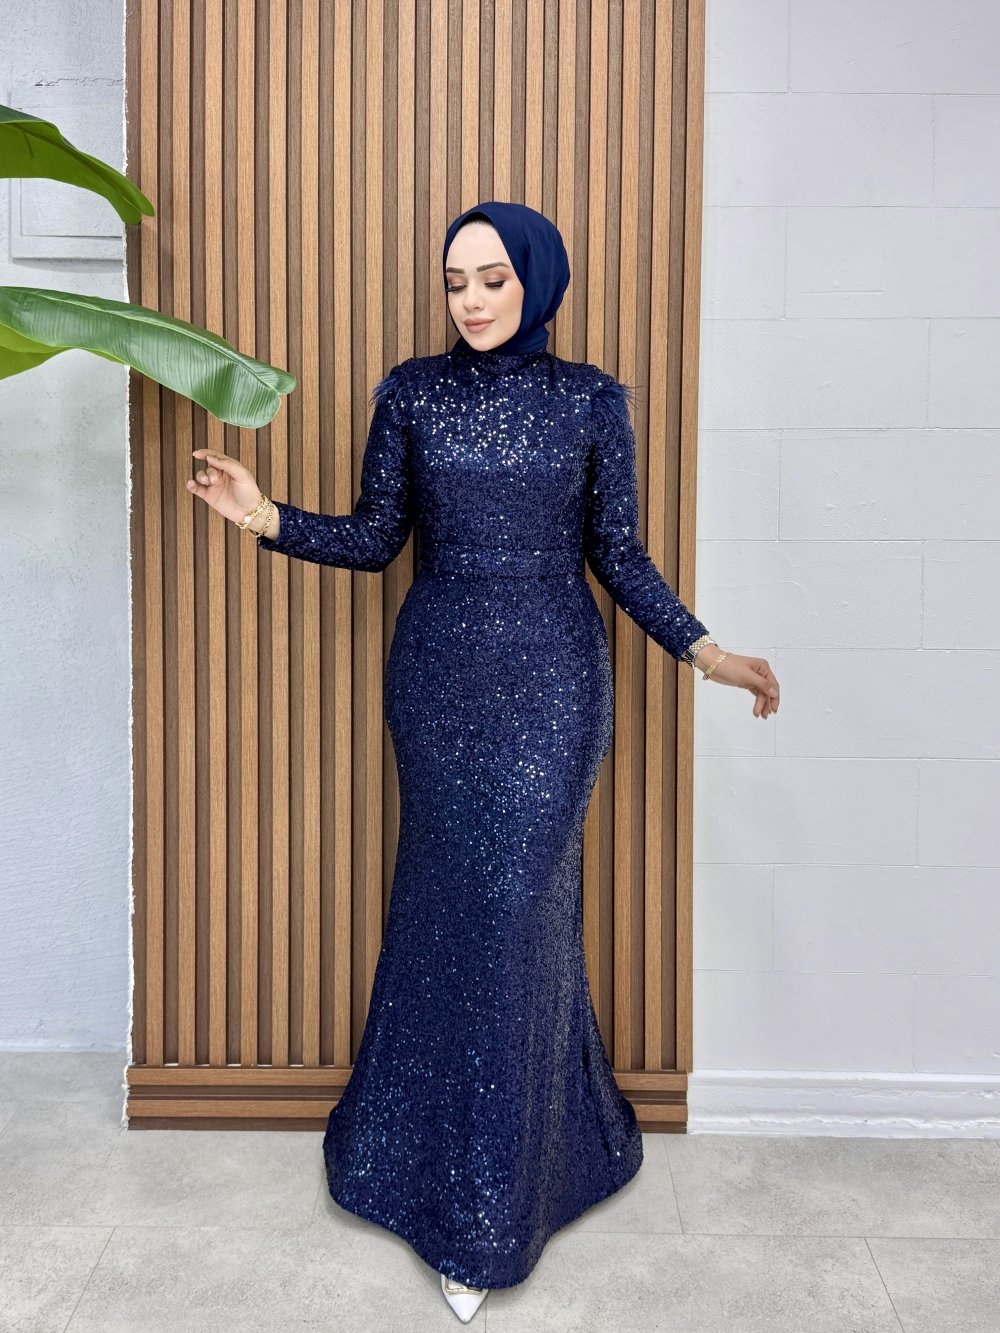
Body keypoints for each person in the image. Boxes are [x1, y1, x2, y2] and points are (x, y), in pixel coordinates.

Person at [186, 200, 780, 1323]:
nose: (469, 298)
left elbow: (618, 555)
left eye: (493, 277)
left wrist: (707, 652)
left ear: (536, 280)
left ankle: (496, 1204)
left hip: (556, 686)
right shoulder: (410, 394)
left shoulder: (592, 400)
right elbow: (376, 540)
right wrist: (264, 516)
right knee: (451, 914)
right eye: (455, 279)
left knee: (517, 919)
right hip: (438, 682)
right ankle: (426, 1166)